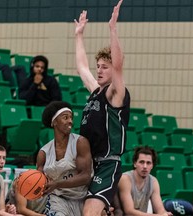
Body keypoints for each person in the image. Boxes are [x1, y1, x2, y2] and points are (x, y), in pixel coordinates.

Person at [74, 1, 130, 215]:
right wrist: (79, 36)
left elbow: (118, 64)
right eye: (98, 66)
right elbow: (81, 67)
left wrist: (112, 29)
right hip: (88, 163)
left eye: (104, 67)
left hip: (107, 164)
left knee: (89, 212)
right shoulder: (96, 90)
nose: (99, 70)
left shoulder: (116, 93)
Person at [35, 101, 93, 216]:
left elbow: (86, 176)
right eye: (65, 117)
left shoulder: (80, 142)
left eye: (71, 117)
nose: (70, 121)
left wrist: (57, 183)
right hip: (58, 199)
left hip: (82, 198)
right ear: (54, 122)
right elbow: (39, 182)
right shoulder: (43, 153)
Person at [118, 146, 173, 216]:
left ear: (152, 165)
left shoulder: (153, 181)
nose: (145, 166)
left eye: (148, 163)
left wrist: (164, 214)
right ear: (135, 163)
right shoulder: (125, 179)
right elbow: (129, 211)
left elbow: (160, 210)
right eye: (141, 162)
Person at [0, 145, 23, 216]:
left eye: (4, 158)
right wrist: (1, 213)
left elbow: (1, 209)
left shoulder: (0, 178)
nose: (2, 161)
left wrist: (7, 210)